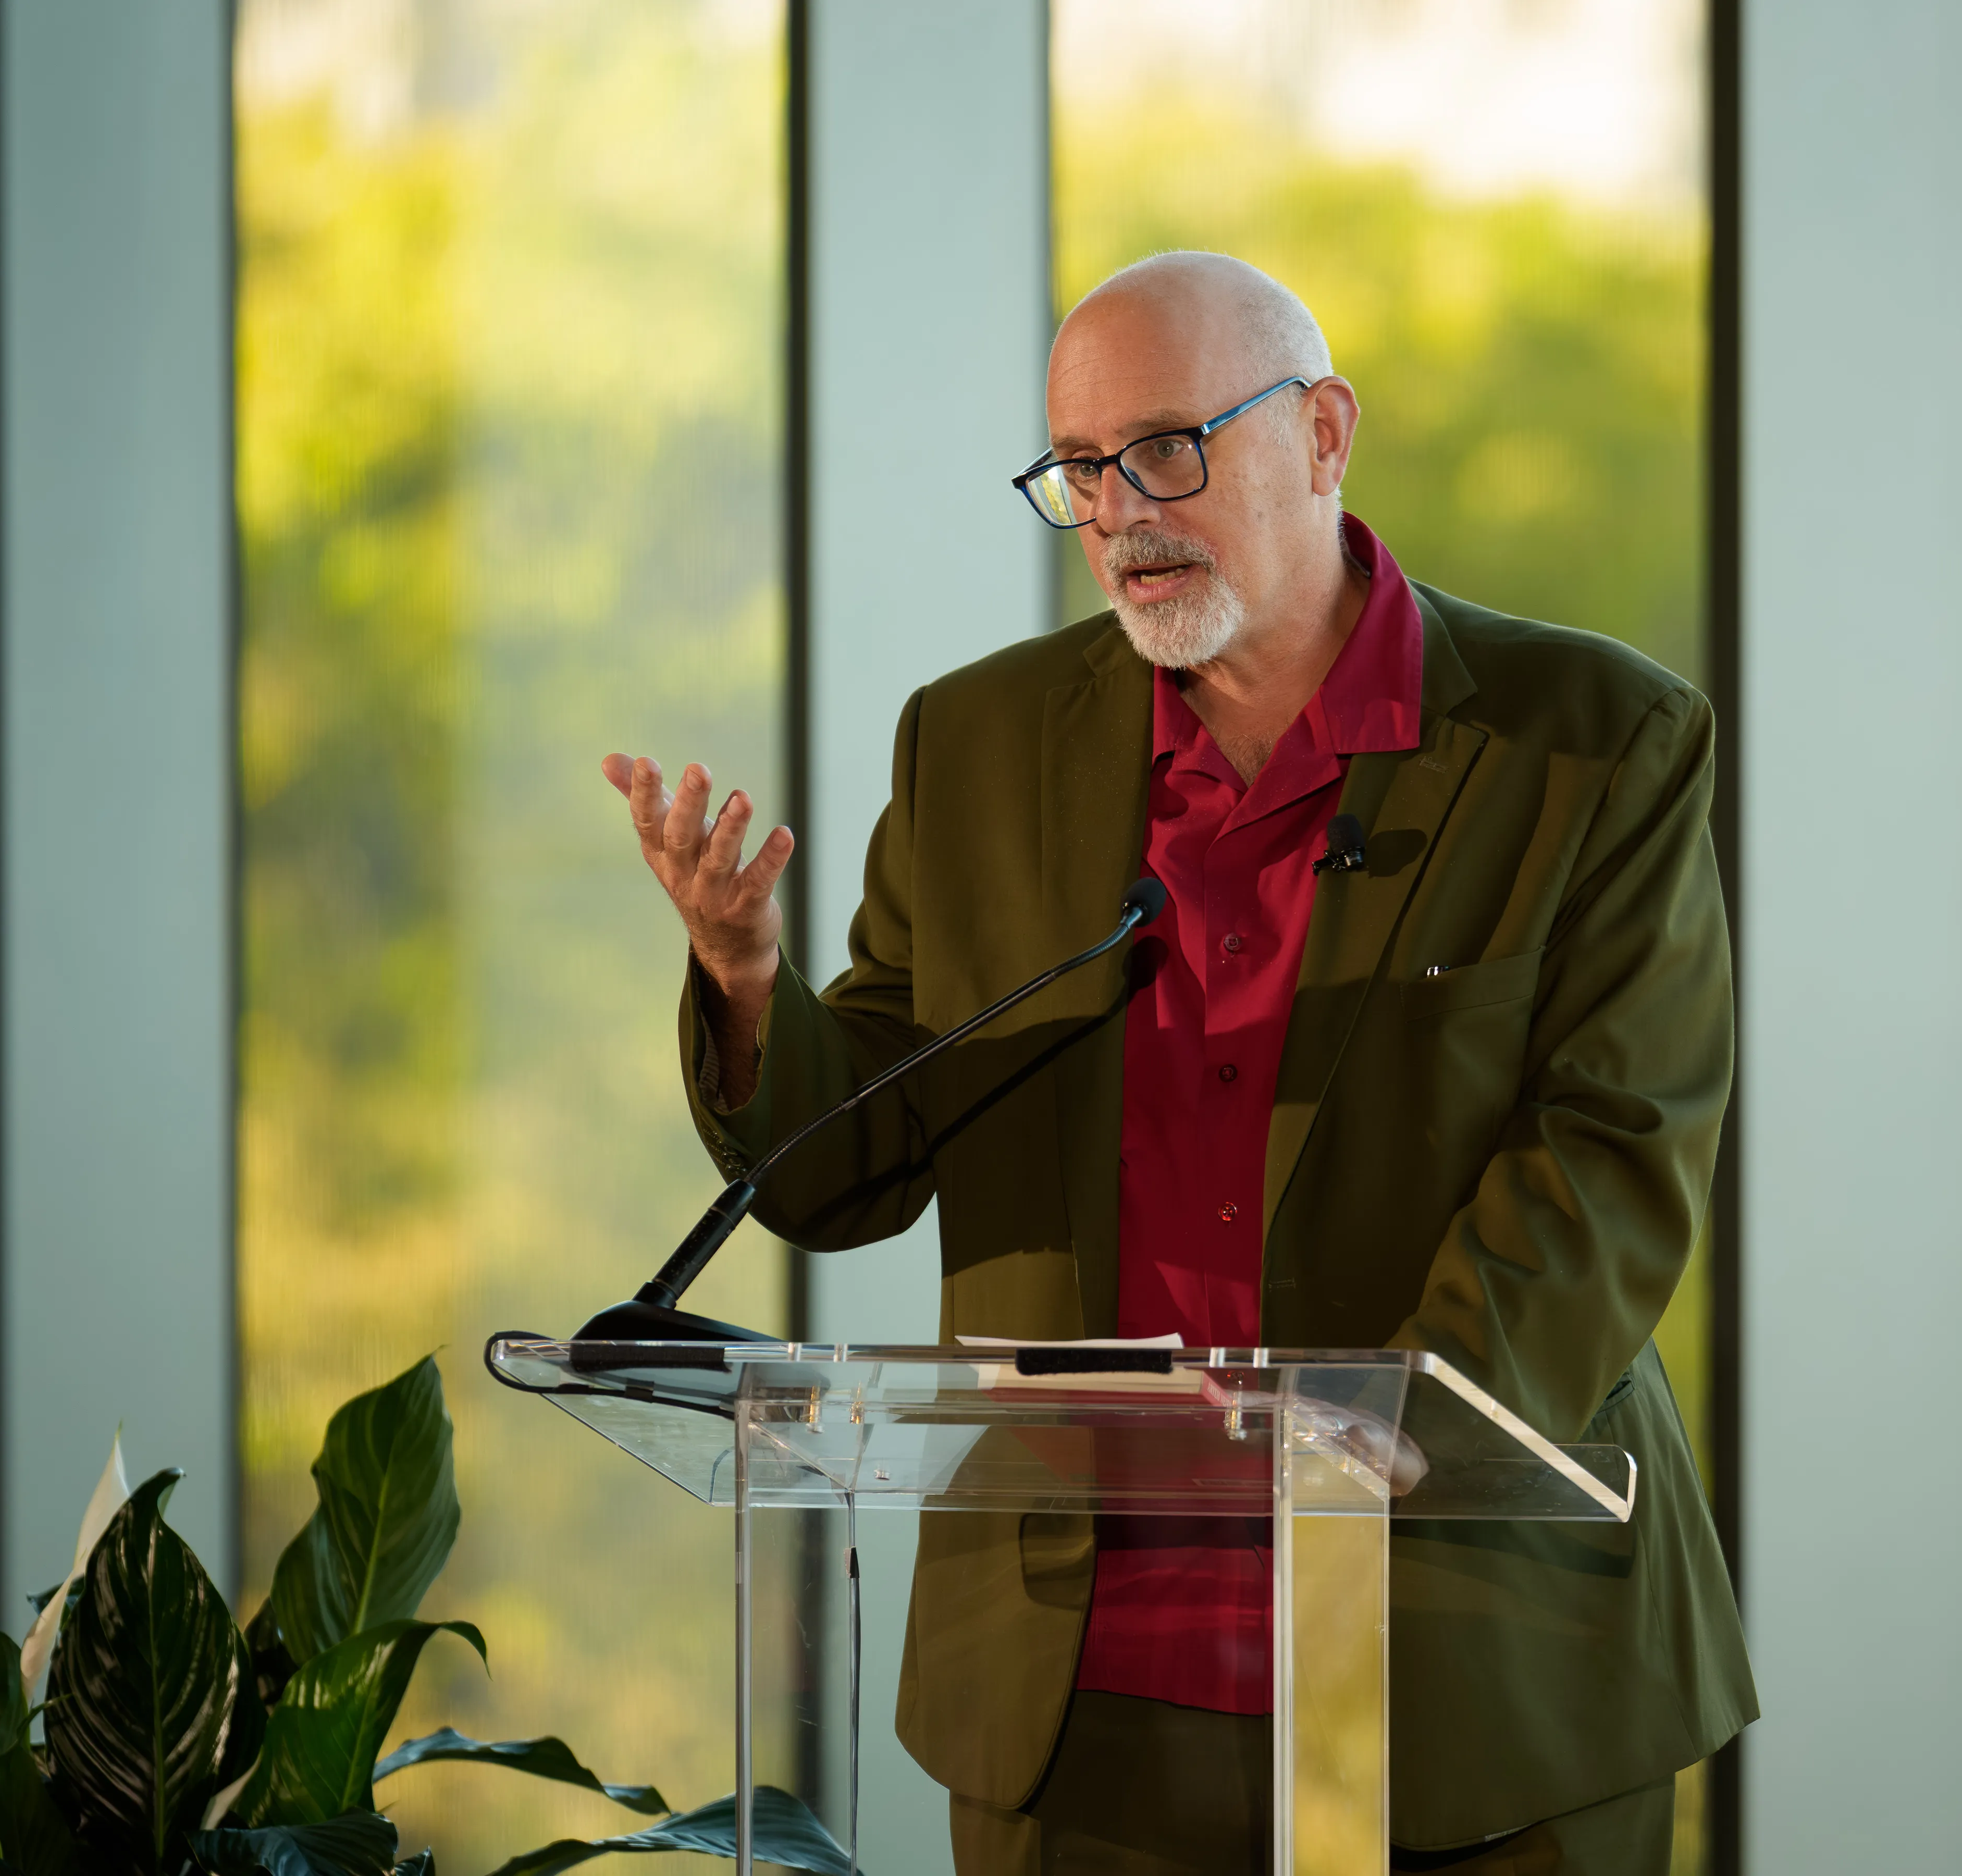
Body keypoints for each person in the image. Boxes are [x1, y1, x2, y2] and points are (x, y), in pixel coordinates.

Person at [603, 251, 1752, 1874]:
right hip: (1074, 1697)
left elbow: (1616, 1150)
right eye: (1078, 469)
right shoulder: (979, 745)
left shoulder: (1596, 740)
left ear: (1325, 434)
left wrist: (1361, 1444)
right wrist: (741, 979)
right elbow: (852, 1154)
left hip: (1468, 1673)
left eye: (1165, 449)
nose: (1119, 512)